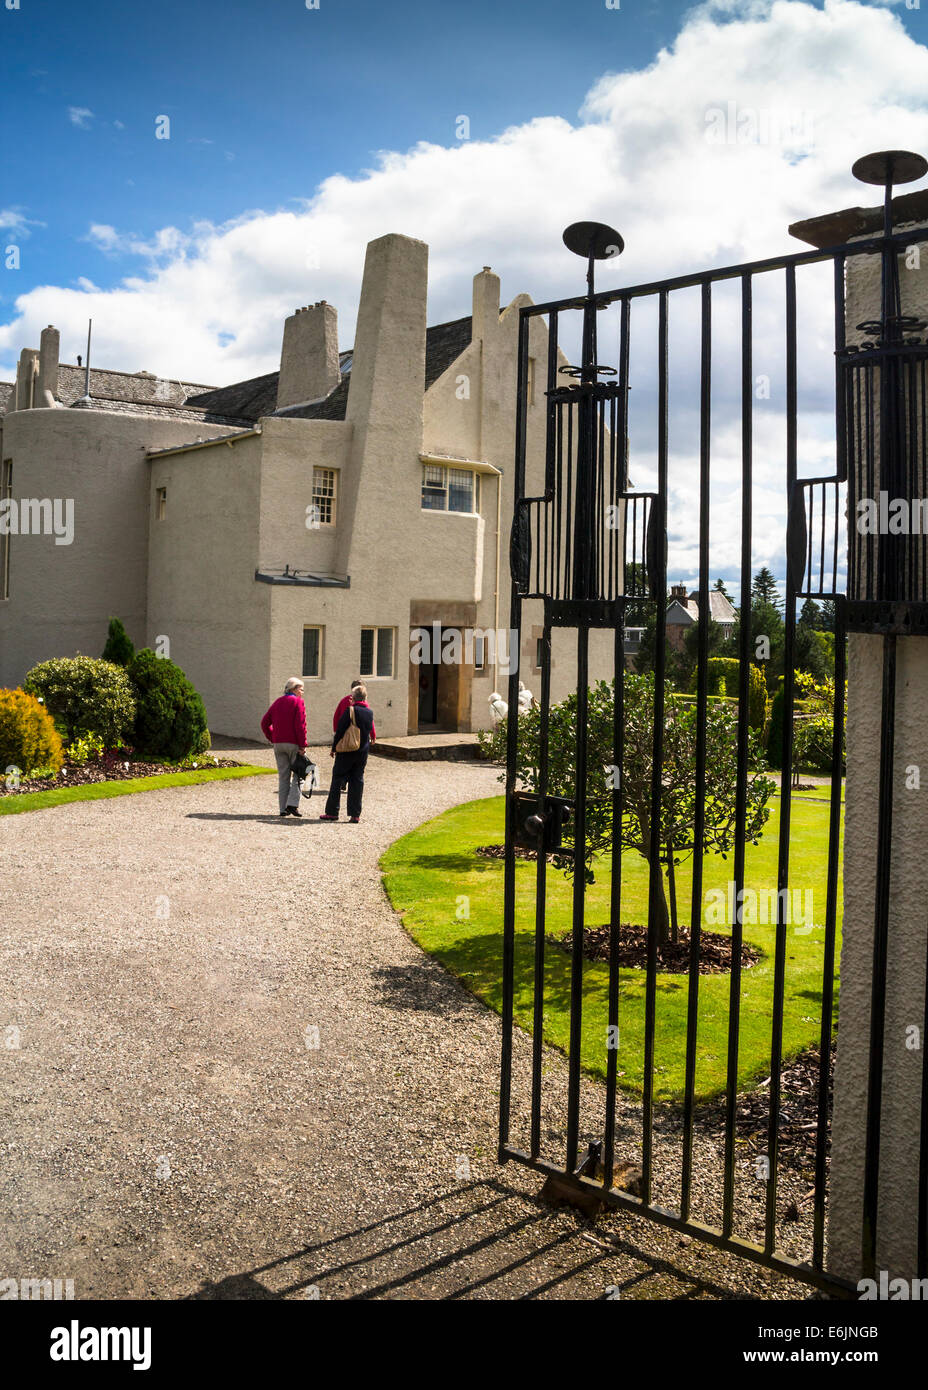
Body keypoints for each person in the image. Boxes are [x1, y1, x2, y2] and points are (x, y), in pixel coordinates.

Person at [319, 684, 375, 823]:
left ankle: (332, 812)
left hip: (347, 751)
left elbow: (340, 730)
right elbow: (368, 731)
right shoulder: (369, 713)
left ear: (353, 698)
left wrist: (334, 748)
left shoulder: (350, 710)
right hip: (362, 752)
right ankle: (355, 814)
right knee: (357, 781)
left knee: (337, 779)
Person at [261, 677, 308, 817]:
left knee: (283, 776)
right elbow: (300, 725)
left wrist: (272, 737)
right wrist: (302, 745)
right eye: (301, 689)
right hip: (293, 743)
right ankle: (292, 804)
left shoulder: (277, 702)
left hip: (278, 744)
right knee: (299, 773)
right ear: (293, 689)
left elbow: (264, 723)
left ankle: (282, 809)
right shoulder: (297, 702)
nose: (302, 692)